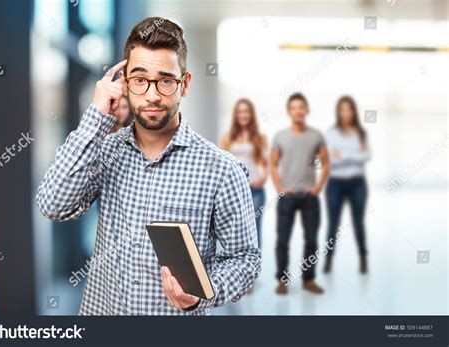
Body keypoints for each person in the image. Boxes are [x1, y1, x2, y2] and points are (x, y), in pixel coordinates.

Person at [36, 17, 261, 315]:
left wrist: (201, 293)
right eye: (140, 80)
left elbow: (245, 259)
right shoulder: (104, 151)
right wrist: (96, 117)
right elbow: (52, 205)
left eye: (166, 80)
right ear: (125, 83)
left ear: (185, 84)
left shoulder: (222, 169)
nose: (153, 95)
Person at [270, 92, 329, 295]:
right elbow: (272, 163)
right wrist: (280, 188)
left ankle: (309, 280)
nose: (298, 111)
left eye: (301, 107)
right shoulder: (280, 136)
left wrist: (318, 186)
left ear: (307, 111)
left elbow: (326, 162)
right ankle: (282, 280)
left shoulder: (316, 135)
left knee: (311, 240)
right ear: (289, 112)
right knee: (283, 241)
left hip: (309, 197)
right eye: (294, 108)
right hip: (288, 197)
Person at [323, 95, 370, 274]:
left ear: (353, 111)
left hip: (357, 183)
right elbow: (331, 160)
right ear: (338, 112)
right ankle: (328, 261)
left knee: (358, 222)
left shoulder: (361, 132)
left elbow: (367, 156)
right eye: (342, 109)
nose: (345, 113)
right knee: (333, 223)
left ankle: (363, 258)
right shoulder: (331, 133)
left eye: (349, 109)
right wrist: (355, 155)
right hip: (335, 183)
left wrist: (344, 155)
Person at [220, 98, 268, 249]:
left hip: (254, 189)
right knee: (233, 230)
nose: (243, 115)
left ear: (251, 114)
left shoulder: (259, 138)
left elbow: (264, 162)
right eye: (240, 111)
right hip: (234, 191)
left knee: (254, 229)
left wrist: (263, 178)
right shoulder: (227, 138)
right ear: (236, 115)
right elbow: (221, 163)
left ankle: (255, 267)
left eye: (246, 111)